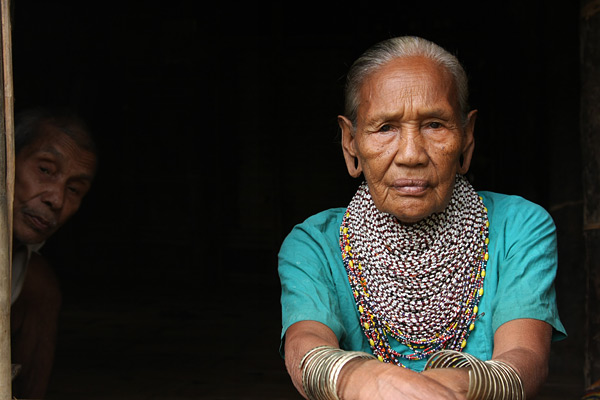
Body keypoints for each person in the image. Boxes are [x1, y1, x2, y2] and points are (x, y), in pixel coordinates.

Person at [278, 36, 566, 400]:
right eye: (385, 128)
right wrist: (364, 380)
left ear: (467, 137)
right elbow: (305, 349)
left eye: (434, 124)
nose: (411, 155)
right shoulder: (314, 244)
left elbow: (524, 360)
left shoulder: (520, 226)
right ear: (350, 141)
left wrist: (432, 391)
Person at [10, 107, 97, 398]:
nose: (56, 199)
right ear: (6, 159)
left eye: (74, 189)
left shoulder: (29, 268)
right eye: (45, 170)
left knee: (41, 284)